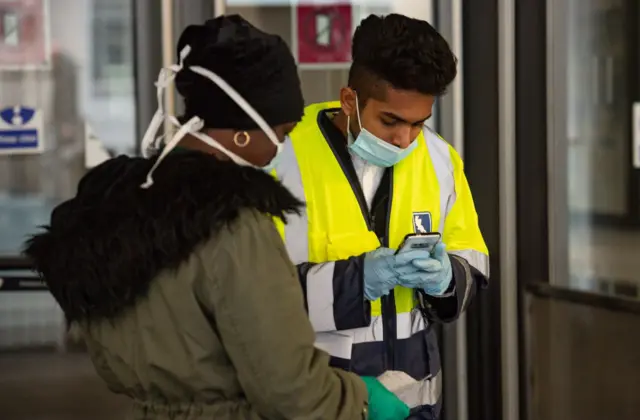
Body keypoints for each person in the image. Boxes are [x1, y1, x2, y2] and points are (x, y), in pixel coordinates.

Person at [23, 16, 410, 420]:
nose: (281, 146)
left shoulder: (118, 211)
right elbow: (290, 390)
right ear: (244, 131)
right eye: (281, 131)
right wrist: (360, 398)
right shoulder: (234, 225)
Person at [272, 14, 490, 419]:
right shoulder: (280, 158)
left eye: (418, 124)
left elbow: (472, 262)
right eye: (390, 121)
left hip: (415, 404)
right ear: (349, 100)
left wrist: (448, 279)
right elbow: (251, 296)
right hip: (318, 402)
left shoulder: (441, 159)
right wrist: (358, 280)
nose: (404, 140)